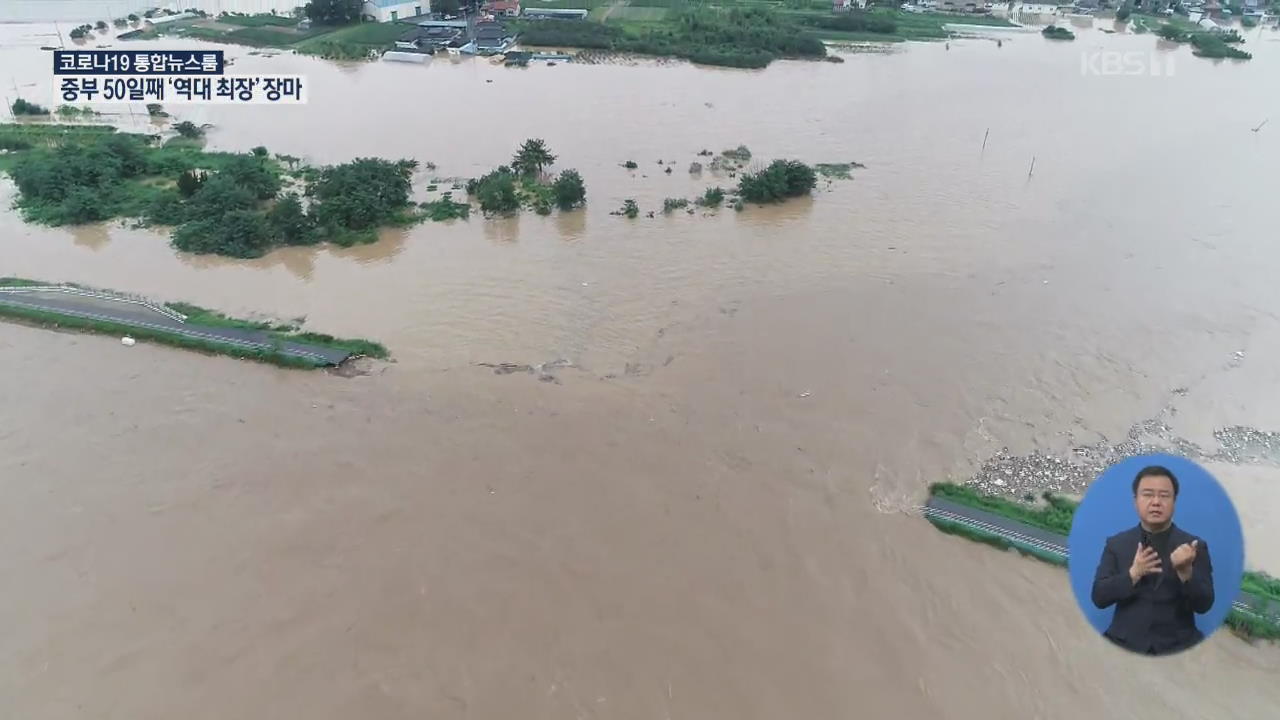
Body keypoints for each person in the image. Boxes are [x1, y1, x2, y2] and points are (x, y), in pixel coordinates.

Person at [1090, 465, 1214, 655]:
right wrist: (1133, 574)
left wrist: (1186, 573)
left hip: (1178, 648)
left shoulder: (1194, 547)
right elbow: (1099, 597)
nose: (1156, 502)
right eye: (1148, 494)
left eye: (1164, 496)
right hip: (1122, 644)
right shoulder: (1116, 544)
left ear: (1174, 501)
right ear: (1135, 501)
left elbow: (1204, 605)